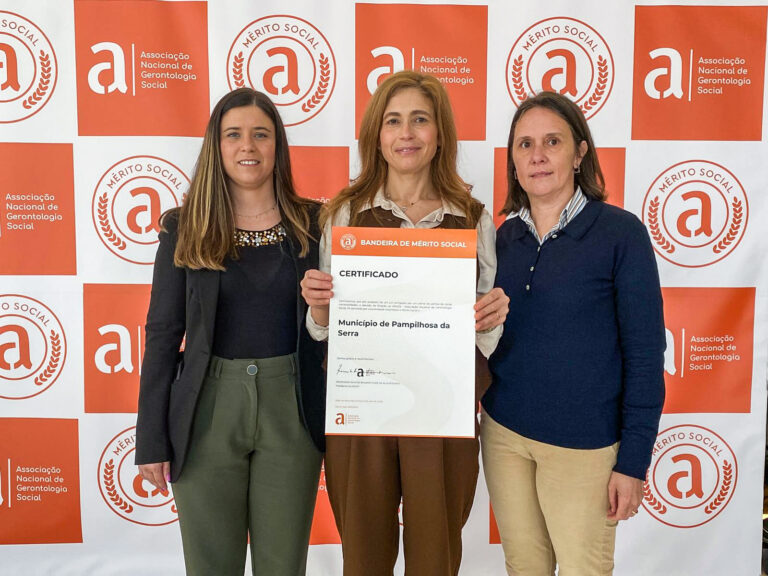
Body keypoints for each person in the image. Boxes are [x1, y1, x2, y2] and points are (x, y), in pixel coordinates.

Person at [300, 70, 509, 576]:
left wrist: (490, 316)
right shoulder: (343, 214)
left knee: (436, 558)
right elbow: (324, 332)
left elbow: (482, 334)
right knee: (365, 558)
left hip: (443, 409)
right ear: (377, 134)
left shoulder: (473, 217)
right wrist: (320, 305)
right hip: (364, 407)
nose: (406, 133)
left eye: (420, 119)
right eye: (393, 121)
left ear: (440, 134)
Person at [134, 88, 326, 576]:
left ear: (277, 146)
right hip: (205, 411)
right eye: (234, 134)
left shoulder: (315, 224)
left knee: (283, 566)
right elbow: (162, 335)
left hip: (294, 407)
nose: (248, 146)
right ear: (215, 147)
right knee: (211, 566)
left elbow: (339, 324)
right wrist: (151, 439)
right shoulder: (185, 227)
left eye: (261, 134)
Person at [482, 91, 666, 575]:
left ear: (580, 152)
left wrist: (633, 461)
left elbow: (646, 354)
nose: (537, 156)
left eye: (552, 142)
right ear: (513, 161)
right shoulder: (504, 238)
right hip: (504, 437)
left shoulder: (620, 234)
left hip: (585, 448)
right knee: (524, 566)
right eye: (524, 145)